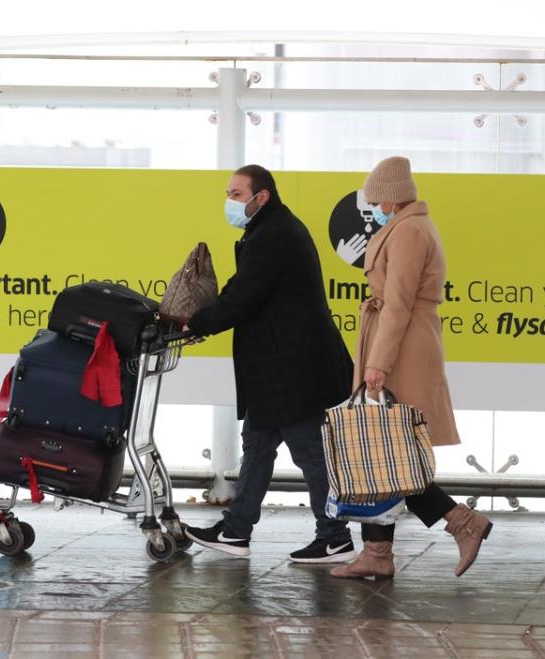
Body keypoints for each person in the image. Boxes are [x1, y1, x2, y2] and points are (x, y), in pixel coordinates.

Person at [331, 156, 494, 580]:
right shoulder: (409, 226)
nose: (373, 205)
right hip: (402, 341)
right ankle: (378, 553)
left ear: (391, 196)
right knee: (382, 450)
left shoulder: (409, 232)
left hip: (402, 347)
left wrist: (377, 363)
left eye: (376, 197)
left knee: (389, 451)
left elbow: (399, 303)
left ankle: (461, 521)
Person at [184, 164, 356, 564]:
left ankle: (334, 537)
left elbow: (244, 296)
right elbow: (240, 288)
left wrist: (198, 322)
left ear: (262, 197)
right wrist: (201, 323)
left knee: (310, 453)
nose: (229, 202)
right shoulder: (266, 230)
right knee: (258, 447)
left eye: (236, 195)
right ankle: (235, 531)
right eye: (228, 194)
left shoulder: (275, 234)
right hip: (277, 369)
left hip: (293, 370)